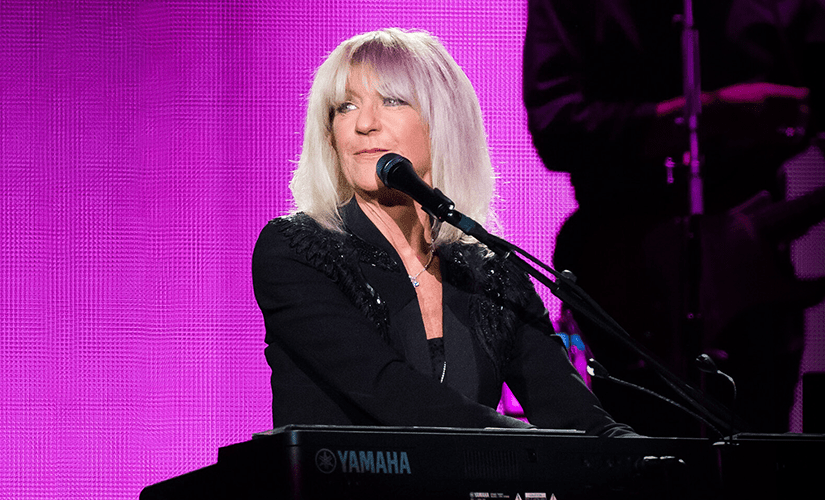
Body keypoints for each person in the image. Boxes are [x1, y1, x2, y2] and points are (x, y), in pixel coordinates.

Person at [524, 0, 825, 434]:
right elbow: (557, 127)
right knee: (641, 442)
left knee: (756, 442)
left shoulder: (780, 6)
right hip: (629, 279)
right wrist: (713, 113)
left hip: (754, 281)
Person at [252, 28, 633, 437]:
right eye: (345, 107)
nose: (363, 124)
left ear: (442, 123)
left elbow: (577, 416)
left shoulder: (490, 274)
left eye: (392, 101)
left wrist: (653, 460)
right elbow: (389, 392)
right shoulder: (296, 250)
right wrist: (522, 443)